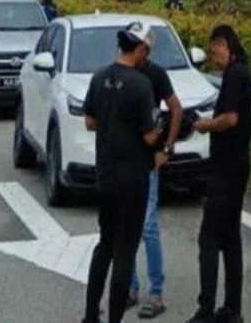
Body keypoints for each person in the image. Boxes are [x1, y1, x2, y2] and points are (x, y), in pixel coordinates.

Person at [81, 21, 170, 323]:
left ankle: (91, 313)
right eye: (147, 50)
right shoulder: (140, 84)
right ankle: (115, 319)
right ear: (140, 49)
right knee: (126, 249)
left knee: (105, 243)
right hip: (134, 177)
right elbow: (148, 137)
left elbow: (89, 122)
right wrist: (159, 128)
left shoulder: (99, 77)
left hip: (105, 172)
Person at [185, 25, 251, 323]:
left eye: (214, 51)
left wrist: (205, 125)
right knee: (230, 237)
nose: (214, 57)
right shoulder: (240, 73)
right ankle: (232, 309)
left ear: (224, 44)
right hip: (236, 164)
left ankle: (206, 307)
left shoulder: (236, 75)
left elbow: (230, 118)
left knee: (209, 237)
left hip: (227, 168)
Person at [127, 59, 183, 319]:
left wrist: (167, 148)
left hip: (149, 159)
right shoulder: (120, 72)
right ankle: (129, 288)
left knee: (147, 226)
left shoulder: (156, 73)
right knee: (125, 225)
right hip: (125, 160)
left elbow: (176, 108)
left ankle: (156, 293)